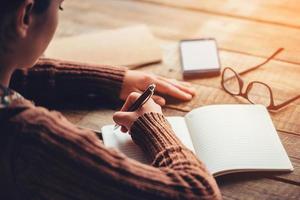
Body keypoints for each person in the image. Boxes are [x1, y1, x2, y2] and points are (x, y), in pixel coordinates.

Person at [0, 0, 222, 199]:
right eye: (59, 6)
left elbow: (17, 74)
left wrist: (113, 80)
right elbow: (198, 193)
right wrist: (153, 125)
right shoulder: (27, 139)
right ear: (26, 16)